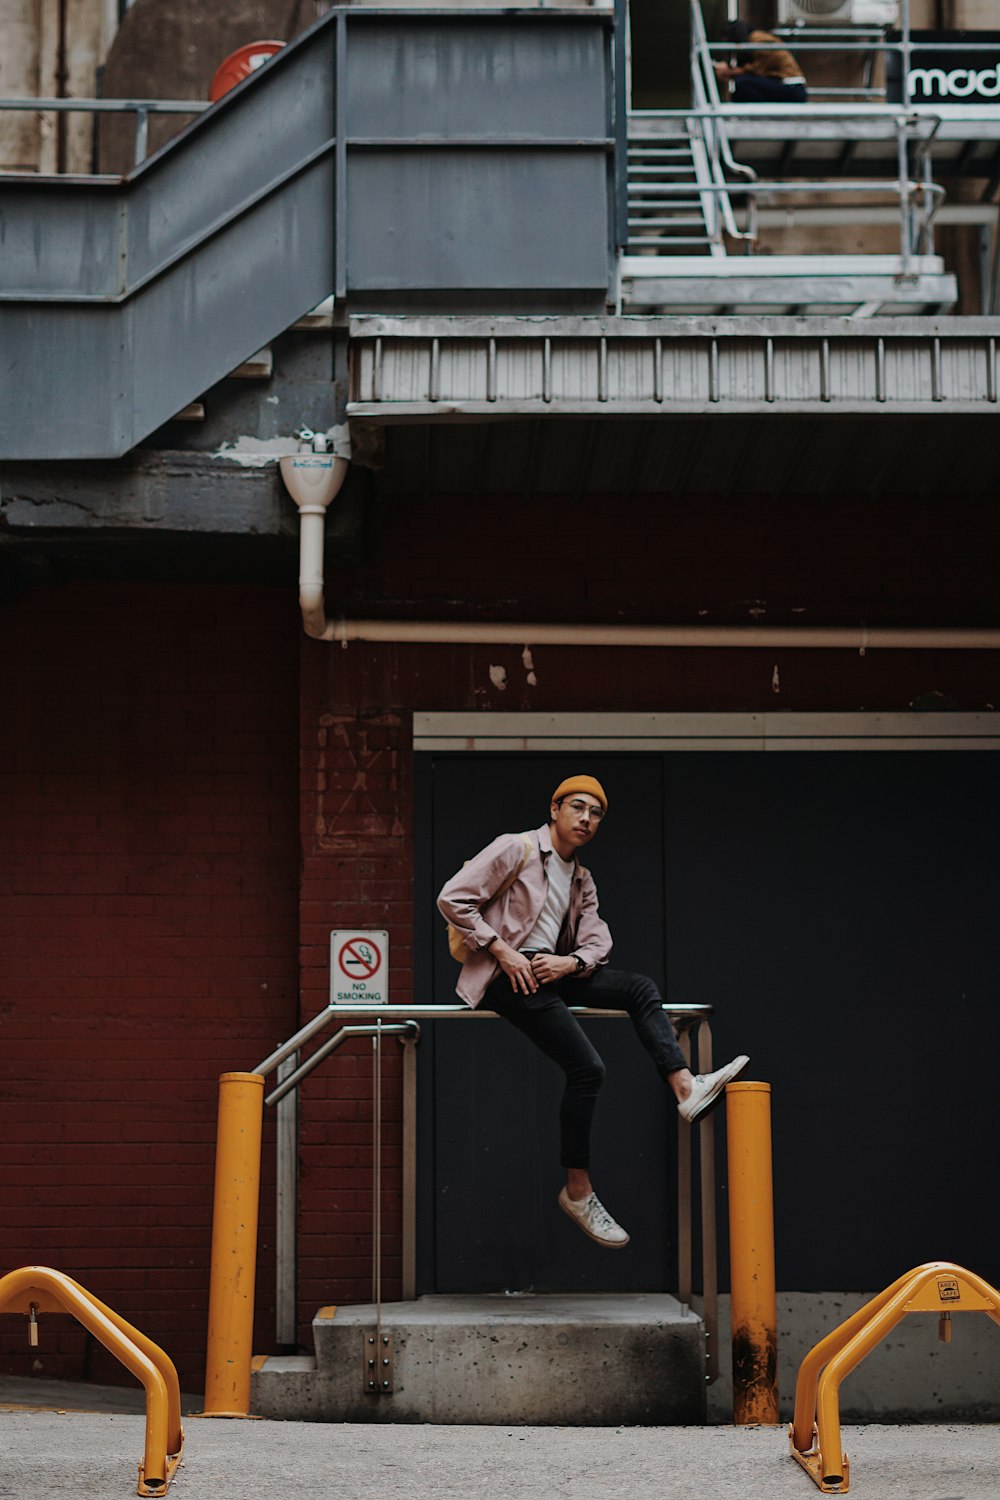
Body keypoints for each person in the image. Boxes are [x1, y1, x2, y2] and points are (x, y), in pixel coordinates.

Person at [437, 774, 749, 1250]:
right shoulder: (514, 848)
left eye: (596, 813)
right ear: (555, 809)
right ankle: (577, 1191)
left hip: (553, 971)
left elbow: (597, 937)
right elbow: (452, 897)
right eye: (577, 807)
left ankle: (685, 1087)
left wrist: (573, 962)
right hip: (508, 976)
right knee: (587, 1068)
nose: (586, 819)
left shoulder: (581, 878)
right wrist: (502, 951)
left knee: (640, 988)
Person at [714, 20, 808, 104]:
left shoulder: (760, 40)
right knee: (740, 89)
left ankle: (761, 116)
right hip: (783, 85)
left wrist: (729, 72)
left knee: (742, 84)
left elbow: (758, 70)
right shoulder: (754, 40)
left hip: (791, 87)